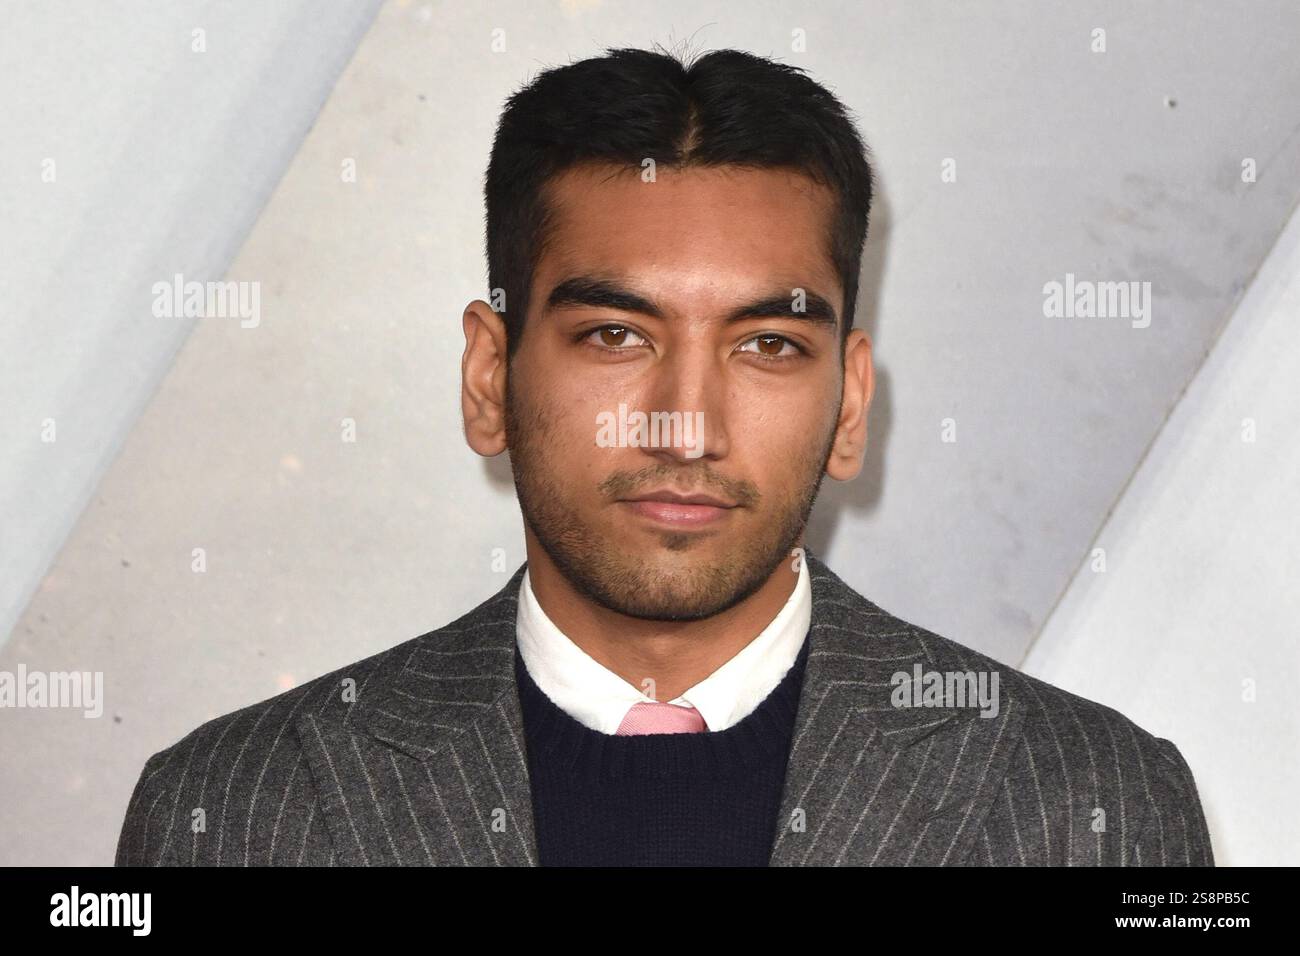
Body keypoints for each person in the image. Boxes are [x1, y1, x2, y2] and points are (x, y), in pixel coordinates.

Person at [116, 46, 1213, 867]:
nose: (684, 425)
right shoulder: (235, 808)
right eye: (615, 335)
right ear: (490, 376)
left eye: (769, 345)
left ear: (849, 403)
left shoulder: (1094, 803)